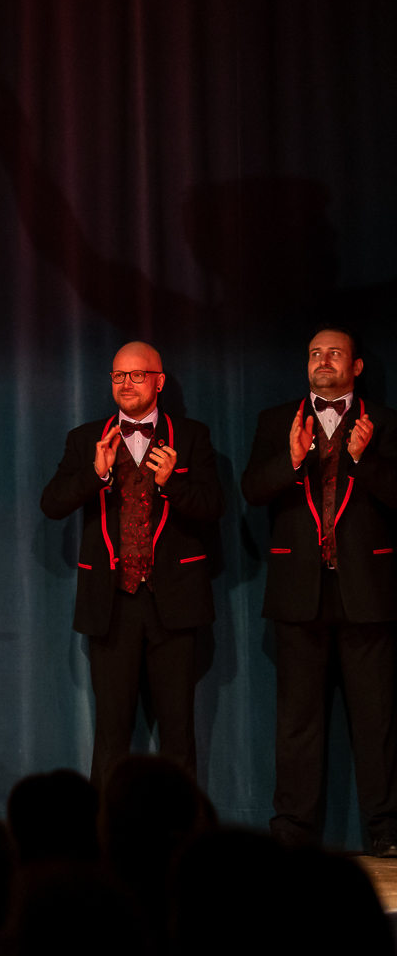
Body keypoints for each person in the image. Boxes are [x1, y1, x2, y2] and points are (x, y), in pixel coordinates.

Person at [241, 325, 397, 854]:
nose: (323, 361)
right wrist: (289, 460)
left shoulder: (386, 423)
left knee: (376, 720)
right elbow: (252, 490)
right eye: (314, 353)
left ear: (356, 367)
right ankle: (292, 831)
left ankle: (386, 829)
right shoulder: (276, 421)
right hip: (298, 591)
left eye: (334, 353)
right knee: (298, 722)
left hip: (367, 591)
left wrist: (366, 460)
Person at [38, 340, 222, 789]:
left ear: (159, 382)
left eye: (137, 375)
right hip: (111, 603)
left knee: (178, 732)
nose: (126, 384)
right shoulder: (86, 439)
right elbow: (52, 504)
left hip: (173, 601)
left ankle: (181, 824)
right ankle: (105, 825)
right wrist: (96, 474)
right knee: (111, 732)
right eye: (119, 376)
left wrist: (172, 484)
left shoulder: (191, 436)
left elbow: (213, 507)